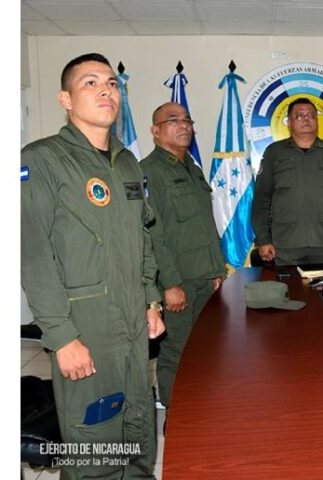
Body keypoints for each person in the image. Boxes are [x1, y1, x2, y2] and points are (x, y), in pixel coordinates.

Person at [21, 53, 164, 479]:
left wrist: (151, 300)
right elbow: (33, 254)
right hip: (86, 326)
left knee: (137, 434)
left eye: (112, 83)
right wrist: (62, 337)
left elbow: (143, 239)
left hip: (134, 326)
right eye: (90, 83)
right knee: (95, 443)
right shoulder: (42, 159)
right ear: (65, 99)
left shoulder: (128, 164)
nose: (106, 89)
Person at [140, 102, 227, 409]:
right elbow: (152, 234)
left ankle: (200, 405)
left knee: (204, 346)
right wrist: (169, 284)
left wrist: (217, 269)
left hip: (205, 275)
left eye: (187, 120)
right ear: (155, 131)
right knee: (177, 349)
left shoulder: (191, 167)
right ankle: (175, 413)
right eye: (173, 120)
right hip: (179, 281)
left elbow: (205, 224)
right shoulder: (149, 172)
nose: (184, 125)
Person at [251, 97, 323, 265]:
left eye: (311, 115)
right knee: (287, 291)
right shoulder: (274, 153)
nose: (306, 119)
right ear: (289, 123)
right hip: (285, 245)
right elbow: (261, 200)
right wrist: (263, 239)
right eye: (299, 115)